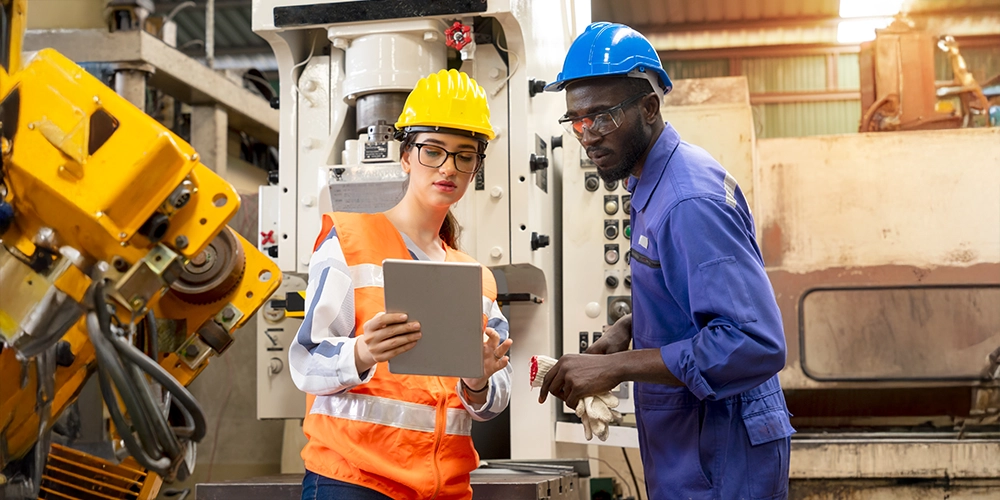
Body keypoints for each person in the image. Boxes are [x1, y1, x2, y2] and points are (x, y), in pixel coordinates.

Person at [538, 22, 794, 500]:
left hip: (722, 452)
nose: (587, 135)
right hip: (694, 445)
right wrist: (627, 329)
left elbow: (755, 342)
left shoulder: (686, 201)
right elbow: (690, 294)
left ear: (650, 108)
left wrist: (618, 368)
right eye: (576, 120)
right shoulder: (653, 185)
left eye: (602, 117)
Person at [289, 69, 514, 500]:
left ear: (476, 168)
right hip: (353, 481)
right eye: (433, 151)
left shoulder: (477, 280)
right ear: (406, 156)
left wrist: (479, 381)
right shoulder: (349, 241)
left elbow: (493, 399)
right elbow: (305, 360)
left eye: (465, 156)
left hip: (444, 489)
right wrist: (361, 351)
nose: (449, 167)